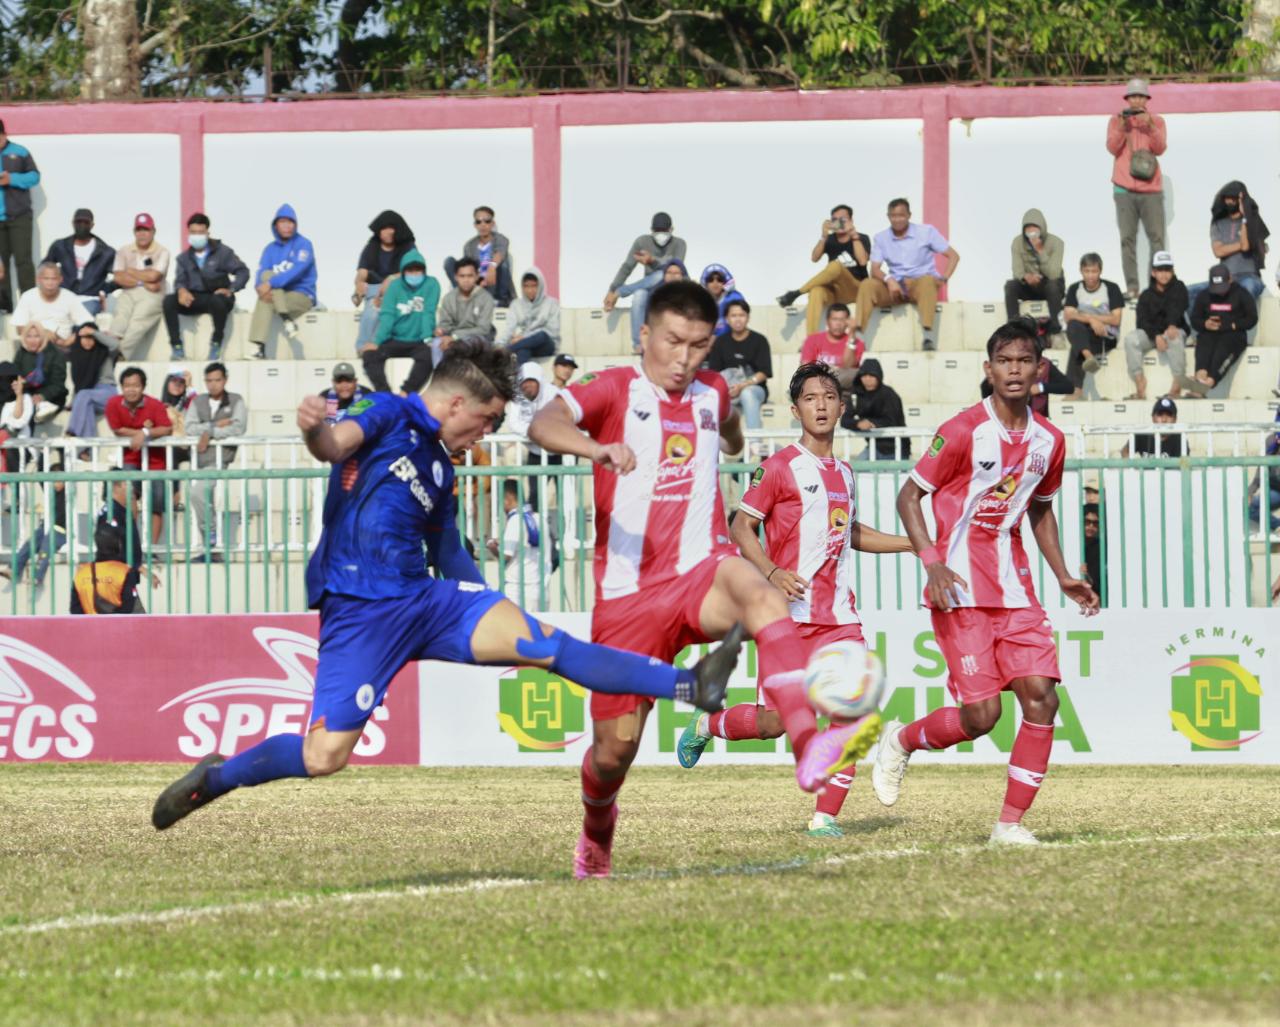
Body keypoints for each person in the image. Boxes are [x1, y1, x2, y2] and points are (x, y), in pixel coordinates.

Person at [150, 340, 743, 831]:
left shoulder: (440, 467)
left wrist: (491, 606)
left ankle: (690, 687)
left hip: (425, 601)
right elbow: (335, 446)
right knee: (323, 757)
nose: (482, 437)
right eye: (485, 421)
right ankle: (216, 777)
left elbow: (447, 550)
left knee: (548, 645)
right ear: (457, 402)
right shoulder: (388, 413)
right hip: (358, 610)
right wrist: (313, 432)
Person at [529, 280, 881, 879]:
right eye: (672, 342)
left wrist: (734, 438)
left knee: (762, 595)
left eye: (697, 345)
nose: (683, 358)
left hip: (701, 572)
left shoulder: (712, 390)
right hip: (628, 600)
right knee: (613, 754)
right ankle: (596, 837)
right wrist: (596, 449)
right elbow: (543, 423)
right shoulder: (616, 387)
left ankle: (806, 749)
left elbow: (725, 430)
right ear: (646, 335)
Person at [875, 320, 1100, 846]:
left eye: (1025, 360)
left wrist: (1064, 574)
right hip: (958, 590)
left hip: (1015, 589)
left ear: (1040, 369)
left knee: (1042, 699)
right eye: (1005, 361)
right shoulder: (961, 431)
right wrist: (930, 560)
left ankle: (1009, 825)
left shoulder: (1051, 441)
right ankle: (903, 739)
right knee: (982, 717)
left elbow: (1040, 509)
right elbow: (908, 497)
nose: (1015, 370)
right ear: (989, 369)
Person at [679, 362, 910, 836]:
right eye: (810, 398)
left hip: (840, 615)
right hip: (788, 617)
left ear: (843, 407)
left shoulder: (845, 472)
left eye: (829, 397)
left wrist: (914, 543)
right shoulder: (779, 466)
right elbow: (741, 525)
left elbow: (850, 533)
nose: (821, 405)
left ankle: (825, 817)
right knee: (773, 724)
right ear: (795, 409)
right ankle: (708, 727)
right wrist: (771, 571)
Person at [857, 199, 959, 352]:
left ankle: (927, 336)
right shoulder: (881, 237)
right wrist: (889, 279)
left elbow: (953, 256)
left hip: (920, 285)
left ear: (909, 215)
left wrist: (944, 278)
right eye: (893, 216)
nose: (897, 219)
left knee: (927, 281)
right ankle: (858, 338)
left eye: (901, 215)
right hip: (895, 287)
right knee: (867, 284)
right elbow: (875, 269)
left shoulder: (926, 232)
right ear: (888, 216)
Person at [1106, 78, 1167, 298]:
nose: (1136, 101)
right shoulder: (1116, 121)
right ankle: (1132, 287)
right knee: (1127, 239)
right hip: (1124, 188)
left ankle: (1156, 285)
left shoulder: (1157, 121)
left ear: (1147, 99)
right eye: (1133, 96)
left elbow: (1160, 149)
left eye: (1141, 96)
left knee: (1157, 238)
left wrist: (1149, 125)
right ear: (1127, 99)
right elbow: (1112, 147)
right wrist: (1124, 127)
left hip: (1151, 189)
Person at [164, 214, 250, 361]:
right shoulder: (183, 258)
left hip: (218, 297)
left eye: (200, 232)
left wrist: (231, 288)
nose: (197, 236)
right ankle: (176, 347)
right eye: (193, 232)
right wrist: (182, 290)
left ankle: (216, 344)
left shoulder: (223, 252)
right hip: (194, 298)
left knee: (218, 301)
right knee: (169, 301)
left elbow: (243, 271)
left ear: (207, 233)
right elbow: (180, 280)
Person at [185, 362, 248, 559]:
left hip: (220, 459)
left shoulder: (236, 400)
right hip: (198, 458)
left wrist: (209, 431)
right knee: (204, 498)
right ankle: (212, 551)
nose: (213, 385)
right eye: (209, 380)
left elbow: (238, 428)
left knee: (197, 493)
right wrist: (213, 425)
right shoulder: (198, 402)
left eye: (217, 380)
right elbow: (189, 427)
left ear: (225, 380)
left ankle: (210, 535)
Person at [778, 204, 872, 336]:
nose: (838, 223)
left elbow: (863, 261)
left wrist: (853, 235)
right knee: (816, 291)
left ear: (851, 220)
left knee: (835, 265)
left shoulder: (862, 238)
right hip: (835, 292)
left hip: (856, 289)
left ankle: (797, 293)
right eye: (835, 220)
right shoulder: (830, 240)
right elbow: (814, 257)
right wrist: (824, 236)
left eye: (842, 220)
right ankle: (811, 340)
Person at [105, 367, 174, 544]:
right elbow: (117, 429)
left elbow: (166, 427)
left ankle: (152, 547)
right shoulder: (113, 403)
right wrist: (144, 431)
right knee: (128, 497)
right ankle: (132, 543)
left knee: (155, 505)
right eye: (127, 385)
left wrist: (145, 432)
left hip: (156, 461)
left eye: (135, 385)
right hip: (130, 458)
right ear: (121, 387)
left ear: (143, 387)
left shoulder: (155, 404)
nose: (131, 389)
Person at [603, 212, 688, 353]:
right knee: (639, 294)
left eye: (664, 231)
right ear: (651, 230)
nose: (661, 234)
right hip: (652, 291)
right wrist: (612, 289)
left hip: (672, 290)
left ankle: (622, 292)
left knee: (662, 273)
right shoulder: (642, 242)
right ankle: (638, 344)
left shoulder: (680, 244)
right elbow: (627, 267)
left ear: (671, 230)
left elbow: (674, 269)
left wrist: (652, 261)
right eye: (657, 231)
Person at [362, 248, 440, 396]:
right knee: (370, 355)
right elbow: (388, 316)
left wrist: (427, 338)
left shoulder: (432, 284)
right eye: (410, 270)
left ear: (424, 271)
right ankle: (385, 394)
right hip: (396, 338)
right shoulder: (395, 286)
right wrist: (377, 341)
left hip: (419, 340)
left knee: (429, 355)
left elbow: (428, 313)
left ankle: (407, 392)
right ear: (403, 271)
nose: (414, 274)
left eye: (418, 270)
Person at [248, 203, 317, 359]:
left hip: (301, 295)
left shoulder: (304, 244)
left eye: (290, 222)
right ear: (276, 225)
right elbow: (260, 274)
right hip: (279, 298)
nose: (287, 226)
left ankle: (260, 346)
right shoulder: (269, 249)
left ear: (295, 224)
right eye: (282, 222)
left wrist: (270, 284)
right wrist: (261, 287)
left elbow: (296, 271)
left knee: (269, 281)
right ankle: (286, 321)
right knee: (266, 279)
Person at [1123, 251, 1190, 400]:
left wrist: (1172, 325)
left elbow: (1178, 307)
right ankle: (1139, 381)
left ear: (1172, 271)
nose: (1164, 274)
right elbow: (1141, 321)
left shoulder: (1179, 287)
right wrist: (1156, 336)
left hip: (1173, 331)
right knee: (1131, 339)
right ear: (1153, 272)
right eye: (1160, 270)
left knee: (1174, 335)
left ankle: (1177, 384)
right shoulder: (1146, 294)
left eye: (1167, 270)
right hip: (1154, 334)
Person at [1187, 263, 1258, 396]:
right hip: (1210, 332)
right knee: (1203, 341)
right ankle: (1200, 375)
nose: (1220, 292)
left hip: (1234, 334)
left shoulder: (1241, 294)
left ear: (1230, 279)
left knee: (1224, 346)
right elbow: (1195, 319)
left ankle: (1210, 380)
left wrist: (1232, 325)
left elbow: (1252, 318)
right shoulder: (1204, 295)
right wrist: (1205, 324)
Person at [108, 213, 170, 358]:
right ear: (134, 232)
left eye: (146, 230)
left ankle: (121, 354)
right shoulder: (124, 250)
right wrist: (142, 281)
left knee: (138, 322)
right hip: (130, 291)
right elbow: (118, 277)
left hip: (153, 294)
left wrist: (130, 271)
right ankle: (111, 348)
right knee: (120, 316)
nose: (142, 234)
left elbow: (155, 276)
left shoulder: (162, 251)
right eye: (139, 230)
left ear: (153, 231)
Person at [1, 456, 66, 592]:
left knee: (45, 547)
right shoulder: (50, 491)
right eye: (53, 480)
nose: (56, 484)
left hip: (60, 531)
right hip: (46, 528)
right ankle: (13, 569)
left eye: (59, 480)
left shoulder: (68, 492)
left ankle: (37, 576)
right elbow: (42, 472)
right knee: (29, 544)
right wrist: (42, 453)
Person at [1062, 253, 1124, 397]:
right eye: (1087, 271)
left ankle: (1075, 391)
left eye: (1094, 271)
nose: (1090, 276)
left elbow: (1116, 319)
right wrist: (1091, 321)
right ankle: (1088, 355)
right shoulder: (1074, 288)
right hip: (1083, 331)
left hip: (1105, 335)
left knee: (1078, 342)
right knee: (1074, 327)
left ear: (1100, 271)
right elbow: (1068, 315)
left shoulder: (1111, 288)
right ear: (1081, 271)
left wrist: (1094, 320)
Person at [353, 210, 416, 351]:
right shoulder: (371, 247)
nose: (388, 232)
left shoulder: (408, 247)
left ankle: (372, 346)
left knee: (379, 306)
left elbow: (414, 271)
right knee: (372, 310)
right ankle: (363, 348)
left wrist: (392, 279)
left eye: (391, 228)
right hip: (375, 292)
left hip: (402, 291)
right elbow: (362, 272)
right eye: (384, 228)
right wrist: (358, 285)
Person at [707, 299, 772, 432]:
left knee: (747, 394)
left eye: (741, 315)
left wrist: (742, 386)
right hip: (727, 388)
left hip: (755, 388)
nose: (738, 320)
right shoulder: (720, 342)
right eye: (733, 316)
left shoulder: (759, 340)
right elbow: (714, 373)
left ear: (748, 317)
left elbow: (764, 372)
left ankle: (755, 443)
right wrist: (727, 389)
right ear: (727, 319)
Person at [505, 361, 562, 511]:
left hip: (560, 452)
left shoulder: (553, 393)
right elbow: (513, 423)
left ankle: (566, 531)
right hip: (536, 452)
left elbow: (557, 422)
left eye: (531, 381)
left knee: (564, 493)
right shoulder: (518, 396)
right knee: (535, 494)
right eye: (524, 382)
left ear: (539, 381)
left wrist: (538, 431)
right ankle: (535, 530)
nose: (527, 386)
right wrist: (535, 433)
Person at [488, 478, 549, 607]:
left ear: (509, 498)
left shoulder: (515, 520)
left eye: (502, 501)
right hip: (540, 589)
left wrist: (492, 547)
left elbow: (505, 557)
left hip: (517, 591)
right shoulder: (538, 518)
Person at [0, 119, 41, 314]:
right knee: (1, 267)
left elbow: (35, 176)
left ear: (4, 135)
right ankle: (5, 308)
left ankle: (30, 309)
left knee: (24, 263)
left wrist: (12, 179)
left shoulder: (20, 151)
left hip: (19, 217)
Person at [44, 208, 115, 316]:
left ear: (92, 225)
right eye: (78, 222)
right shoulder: (61, 246)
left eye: (86, 222)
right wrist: (52, 287)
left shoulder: (105, 251)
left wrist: (104, 290)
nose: (82, 225)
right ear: (73, 223)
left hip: (91, 299)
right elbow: (44, 268)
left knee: (80, 318)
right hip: (63, 298)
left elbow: (120, 277)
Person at [1003, 209, 1065, 330]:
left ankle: (1056, 328)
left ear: (1042, 227)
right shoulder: (1017, 242)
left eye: (1035, 227)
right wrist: (1026, 277)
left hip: (1050, 285)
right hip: (1029, 284)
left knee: (1052, 286)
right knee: (1010, 286)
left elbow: (1054, 274)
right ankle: (1014, 327)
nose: (1031, 232)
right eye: (1028, 228)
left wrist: (1040, 250)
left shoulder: (1057, 243)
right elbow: (1016, 270)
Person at [444, 206, 514, 307]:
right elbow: (468, 268)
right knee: (449, 261)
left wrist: (492, 267)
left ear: (492, 223)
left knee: (503, 264)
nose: (483, 225)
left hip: (494, 284)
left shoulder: (501, 239)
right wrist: (479, 281)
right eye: (479, 222)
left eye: (487, 221)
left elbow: (500, 254)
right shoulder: (469, 246)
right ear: (475, 225)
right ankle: (465, 296)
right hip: (476, 285)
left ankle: (499, 300)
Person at [11, 261, 96, 345]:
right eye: (46, 279)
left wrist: (73, 338)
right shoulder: (28, 297)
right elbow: (19, 328)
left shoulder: (69, 297)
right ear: (38, 279)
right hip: (36, 346)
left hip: (64, 347)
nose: (50, 283)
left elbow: (87, 323)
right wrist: (42, 333)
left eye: (54, 279)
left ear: (60, 279)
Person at [841, 358, 909, 461]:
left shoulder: (888, 394)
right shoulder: (856, 395)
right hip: (873, 447)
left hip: (897, 449)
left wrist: (872, 423)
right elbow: (845, 420)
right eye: (864, 375)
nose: (867, 379)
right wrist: (858, 424)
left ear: (878, 376)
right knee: (854, 471)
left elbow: (892, 420)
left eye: (872, 375)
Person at [69, 522, 143, 615]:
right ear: (118, 544)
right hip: (117, 627)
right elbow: (128, 608)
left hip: (87, 628)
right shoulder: (124, 572)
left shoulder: (82, 573)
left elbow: (75, 610)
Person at [65, 319, 121, 440]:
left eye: (91, 338)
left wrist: (94, 332)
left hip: (107, 392)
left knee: (84, 395)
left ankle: (73, 432)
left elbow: (115, 344)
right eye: (85, 338)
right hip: (88, 395)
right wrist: (74, 401)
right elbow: (80, 384)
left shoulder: (104, 353)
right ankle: (86, 451)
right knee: (86, 407)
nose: (88, 341)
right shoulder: (78, 355)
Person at [434, 257, 495, 365]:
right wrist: (441, 331)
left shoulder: (486, 298)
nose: (466, 280)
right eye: (462, 276)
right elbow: (446, 324)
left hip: (477, 339)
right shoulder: (449, 298)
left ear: (476, 276)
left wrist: (455, 336)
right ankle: (441, 379)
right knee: (437, 343)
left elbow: (483, 329)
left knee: (467, 343)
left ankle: (467, 380)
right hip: (454, 337)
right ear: (456, 277)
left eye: (470, 276)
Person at [497, 268, 560, 364]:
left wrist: (523, 337)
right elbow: (509, 328)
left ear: (540, 286)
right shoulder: (516, 304)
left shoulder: (552, 303)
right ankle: (520, 378)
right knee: (523, 351)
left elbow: (552, 331)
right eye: (526, 286)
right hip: (525, 345)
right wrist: (499, 344)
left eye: (534, 286)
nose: (530, 290)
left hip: (546, 345)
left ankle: (507, 351)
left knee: (542, 335)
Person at [800, 303, 863, 393]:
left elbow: (849, 366)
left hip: (842, 388)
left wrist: (852, 334)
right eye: (834, 319)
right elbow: (805, 367)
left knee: (856, 373)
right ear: (827, 321)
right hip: (816, 383)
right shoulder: (812, 340)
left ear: (848, 322)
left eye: (842, 320)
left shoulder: (857, 343)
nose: (838, 323)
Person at [13, 321, 69, 422]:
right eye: (29, 336)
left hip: (51, 397)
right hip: (26, 394)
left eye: (37, 336)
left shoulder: (55, 354)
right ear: (24, 338)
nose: (33, 340)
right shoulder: (21, 353)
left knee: (26, 407)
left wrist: (42, 396)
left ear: (43, 337)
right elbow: (15, 376)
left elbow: (58, 385)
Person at [1122, 396, 1187, 459]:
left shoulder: (1180, 439)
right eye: (1160, 415)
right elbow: (1125, 451)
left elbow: (1184, 464)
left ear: (1175, 419)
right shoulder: (1141, 434)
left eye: (1169, 415)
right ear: (1153, 418)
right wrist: (1133, 467)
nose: (1164, 420)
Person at [699, 264, 745, 336]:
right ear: (705, 283)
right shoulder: (700, 301)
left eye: (720, 279)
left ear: (725, 282)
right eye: (710, 279)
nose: (715, 283)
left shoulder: (734, 298)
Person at [1080, 503, 1107, 607]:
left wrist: (1086, 574)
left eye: (1095, 523)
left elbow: (1098, 580)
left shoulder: (1100, 548)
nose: (1091, 526)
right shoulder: (1073, 544)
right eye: (1087, 522)